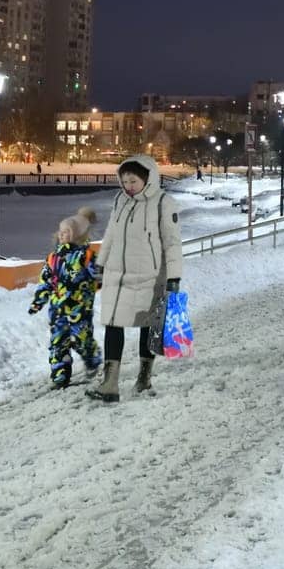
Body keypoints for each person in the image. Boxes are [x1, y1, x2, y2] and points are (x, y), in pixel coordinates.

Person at [89, 155, 182, 403]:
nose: (128, 185)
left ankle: (144, 377)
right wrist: (100, 265)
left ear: (148, 179)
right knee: (112, 324)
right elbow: (110, 235)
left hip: (149, 276)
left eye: (133, 180)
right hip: (116, 275)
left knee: (146, 325)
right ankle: (110, 383)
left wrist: (174, 277)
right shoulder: (120, 200)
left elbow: (172, 243)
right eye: (125, 180)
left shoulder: (163, 203)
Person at [27, 207, 102, 389]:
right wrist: (39, 301)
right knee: (58, 341)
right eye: (60, 232)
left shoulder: (87, 256)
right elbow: (46, 281)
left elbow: (99, 277)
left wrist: (93, 285)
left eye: (67, 232)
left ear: (77, 235)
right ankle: (60, 372)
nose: (62, 235)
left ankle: (92, 358)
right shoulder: (53, 258)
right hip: (58, 308)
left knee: (82, 338)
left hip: (79, 307)